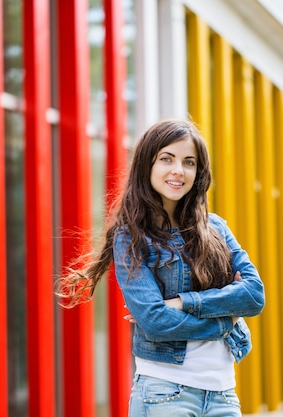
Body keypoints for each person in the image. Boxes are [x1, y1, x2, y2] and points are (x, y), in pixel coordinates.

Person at [55, 119, 265, 416]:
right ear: (147, 165)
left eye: (189, 162)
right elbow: (155, 321)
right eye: (167, 159)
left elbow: (254, 295)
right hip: (165, 393)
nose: (178, 170)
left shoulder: (216, 227)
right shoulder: (131, 236)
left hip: (223, 394)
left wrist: (182, 303)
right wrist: (224, 321)